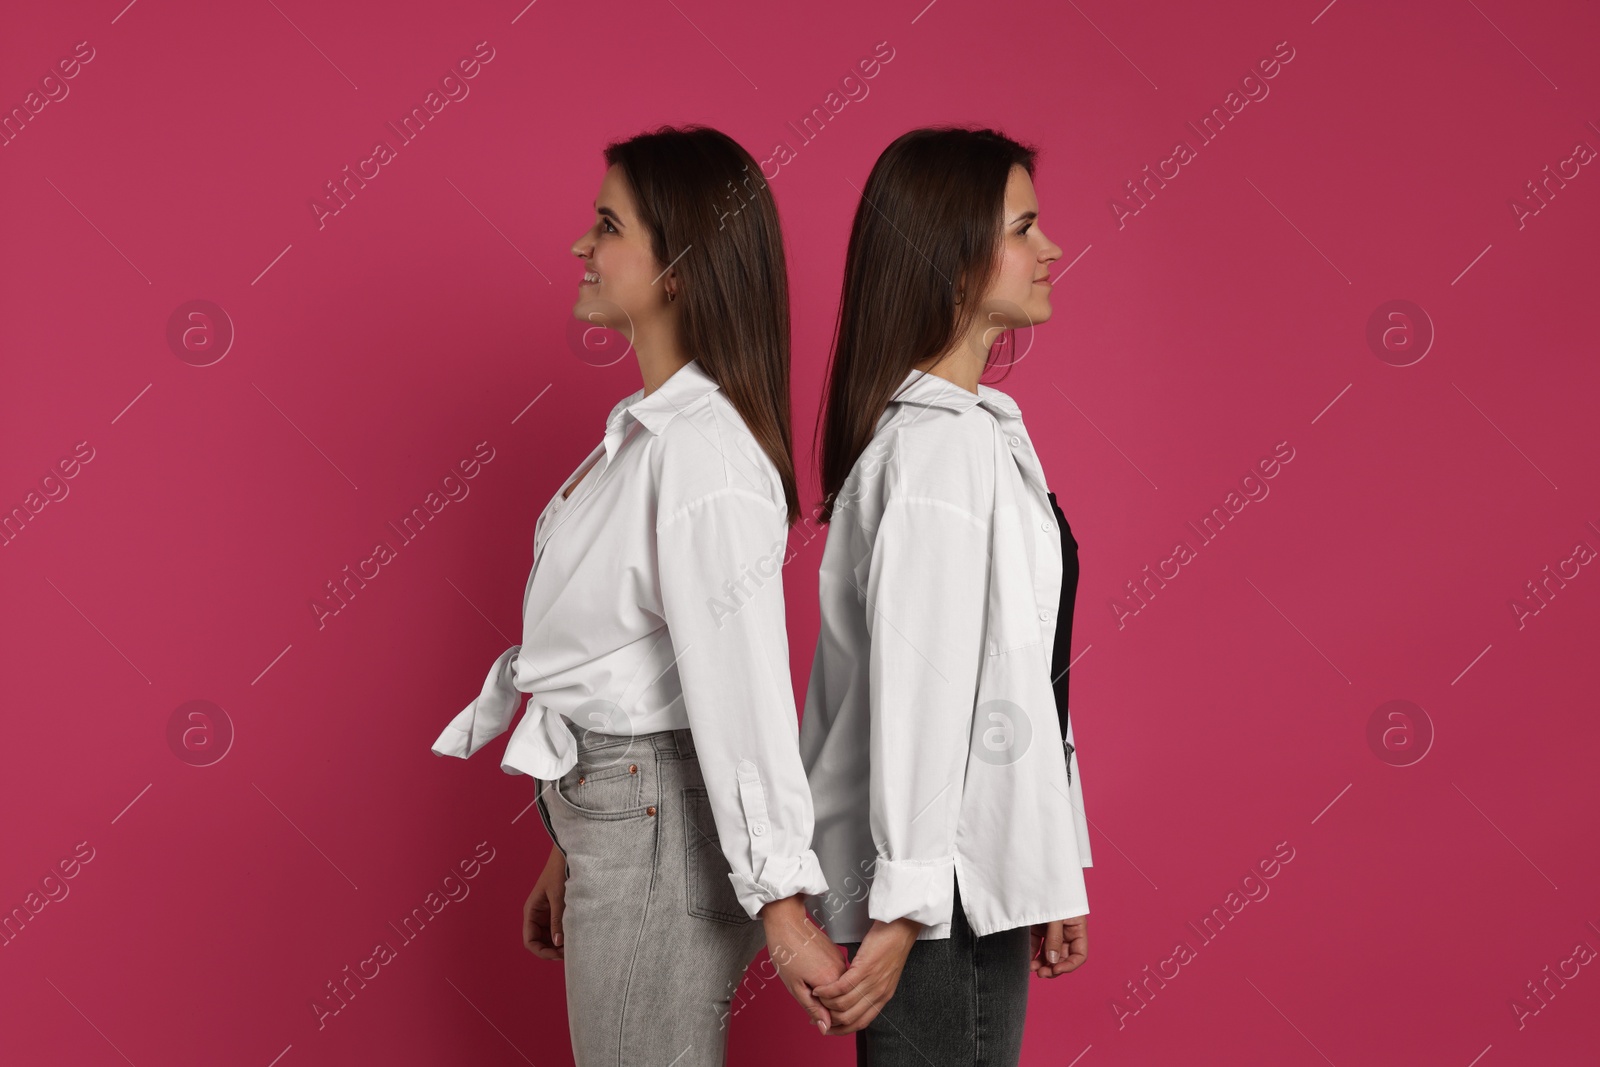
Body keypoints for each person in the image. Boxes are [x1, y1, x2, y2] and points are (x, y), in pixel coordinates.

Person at [431, 125, 842, 1066]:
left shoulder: (700, 452)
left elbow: (739, 689)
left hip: (654, 824)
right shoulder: (648, 435)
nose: (582, 245)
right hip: (626, 817)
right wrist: (568, 846)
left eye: (608, 225)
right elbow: (630, 664)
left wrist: (781, 901)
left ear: (679, 271)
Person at [799, 126, 1094, 1066]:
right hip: (941, 897)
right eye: (1025, 227)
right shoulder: (941, 449)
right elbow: (920, 693)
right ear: (953, 258)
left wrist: (1047, 865)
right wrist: (905, 910)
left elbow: (1017, 674)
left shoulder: (968, 430)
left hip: (960, 880)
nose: (1051, 250)